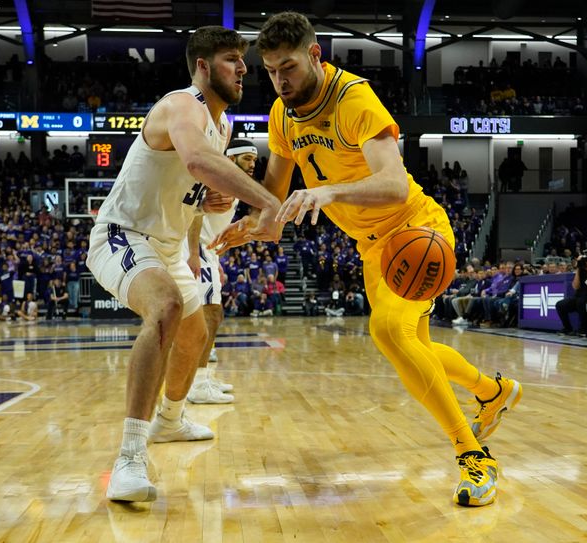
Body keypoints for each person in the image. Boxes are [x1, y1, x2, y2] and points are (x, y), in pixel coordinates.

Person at [211, 12, 521, 507]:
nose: (279, 80)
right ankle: (493, 391)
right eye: (269, 70)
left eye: (287, 67)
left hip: (416, 231)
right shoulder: (281, 114)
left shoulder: (353, 97)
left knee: (389, 332)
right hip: (374, 249)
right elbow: (274, 200)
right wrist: (248, 224)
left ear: (315, 55)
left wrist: (329, 192)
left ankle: (473, 455)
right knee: (408, 347)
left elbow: (394, 183)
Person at [86, 26, 281, 503]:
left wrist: (198, 237)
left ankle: (169, 421)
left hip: (172, 246)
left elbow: (197, 192)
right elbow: (196, 161)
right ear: (202, 66)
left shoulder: (223, 126)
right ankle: (130, 457)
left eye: (243, 61)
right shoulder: (181, 105)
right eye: (232, 59)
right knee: (167, 308)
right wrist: (268, 204)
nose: (243, 69)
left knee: (196, 335)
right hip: (124, 234)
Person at [184, 139, 260, 404]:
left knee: (213, 315)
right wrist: (194, 253)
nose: (253, 163)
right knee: (210, 314)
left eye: (255, 159)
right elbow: (196, 214)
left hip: (209, 252)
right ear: (232, 158)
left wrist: (214, 260)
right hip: (196, 249)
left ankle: (201, 378)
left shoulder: (234, 181)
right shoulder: (217, 178)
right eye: (248, 158)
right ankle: (197, 384)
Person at [555, 250, 587, 337]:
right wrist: (579, 267)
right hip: (578, 297)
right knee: (560, 305)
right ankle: (568, 328)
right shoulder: (582, 270)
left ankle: (584, 330)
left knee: (582, 301)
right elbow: (575, 286)